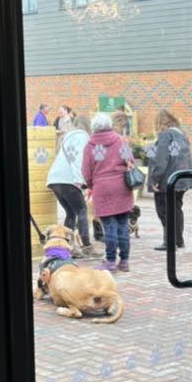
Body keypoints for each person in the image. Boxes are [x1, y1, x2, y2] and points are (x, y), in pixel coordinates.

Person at [82, 112, 137, 272]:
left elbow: (86, 171)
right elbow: (131, 161)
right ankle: (125, 261)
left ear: (94, 127)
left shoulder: (90, 146)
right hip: (121, 187)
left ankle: (111, 261)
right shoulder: (120, 140)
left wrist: (91, 184)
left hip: (102, 188)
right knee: (122, 225)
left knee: (109, 227)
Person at [147, 109, 192, 253]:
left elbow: (161, 159)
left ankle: (169, 241)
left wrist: (154, 179)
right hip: (182, 179)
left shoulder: (165, 135)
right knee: (177, 208)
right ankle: (178, 240)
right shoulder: (181, 135)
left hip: (168, 180)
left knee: (164, 211)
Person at [45, 116, 90, 242]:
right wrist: (79, 181)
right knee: (81, 210)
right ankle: (86, 245)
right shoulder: (82, 137)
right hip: (68, 180)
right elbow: (77, 159)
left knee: (71, 212)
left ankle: (64, 243)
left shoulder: (67, 137)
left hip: (55, 179)